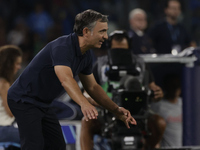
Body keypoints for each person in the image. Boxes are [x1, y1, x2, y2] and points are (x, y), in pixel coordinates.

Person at [7, 9, 136, 150]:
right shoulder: (63, 47)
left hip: (43, 103)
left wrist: (116, 110)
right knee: (34, 146)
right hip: (23, 99)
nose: (106, 36)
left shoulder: (86, 55)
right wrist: (83, 103)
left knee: (57, 146)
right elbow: (66, 79)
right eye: (102, 31)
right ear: (86, 31)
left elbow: (93, 87)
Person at [80, 30, 166, 150]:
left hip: (139, 111)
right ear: (109, 47)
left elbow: (154, 88)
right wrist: (93, 100)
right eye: (116, 51)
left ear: (129, 47)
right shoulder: (100, 64)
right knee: (87, 121)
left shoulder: (141, 64)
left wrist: (158, 94)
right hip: (107, 110)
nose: (120, 54)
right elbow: (87, 90)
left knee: (160, 123)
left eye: (123, 51)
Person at [151, 74, 182, 147]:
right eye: (172, 85)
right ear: (167, 86)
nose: (175, 88)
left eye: (177, 85)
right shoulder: (158, 105)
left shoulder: (185, 104)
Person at [0, 45, 22, 144]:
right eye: (17, 63)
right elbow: (11, 111)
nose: (19, 67)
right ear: (9, 64)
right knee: (38, 138)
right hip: (3, 129)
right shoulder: (3, 84)